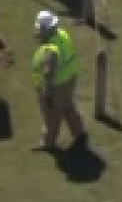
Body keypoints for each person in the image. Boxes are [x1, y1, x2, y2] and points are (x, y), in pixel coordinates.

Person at [30, 10, 88, 151]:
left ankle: (48, 142)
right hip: (69, 79)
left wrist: (47, 92)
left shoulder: (50, 50)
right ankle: (79, 132)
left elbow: (49, 71)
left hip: (56, 85)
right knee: (68, 106)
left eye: (40, 29)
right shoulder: (62, 34)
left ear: (46, 30)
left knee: (51, 115)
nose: (38, 32)